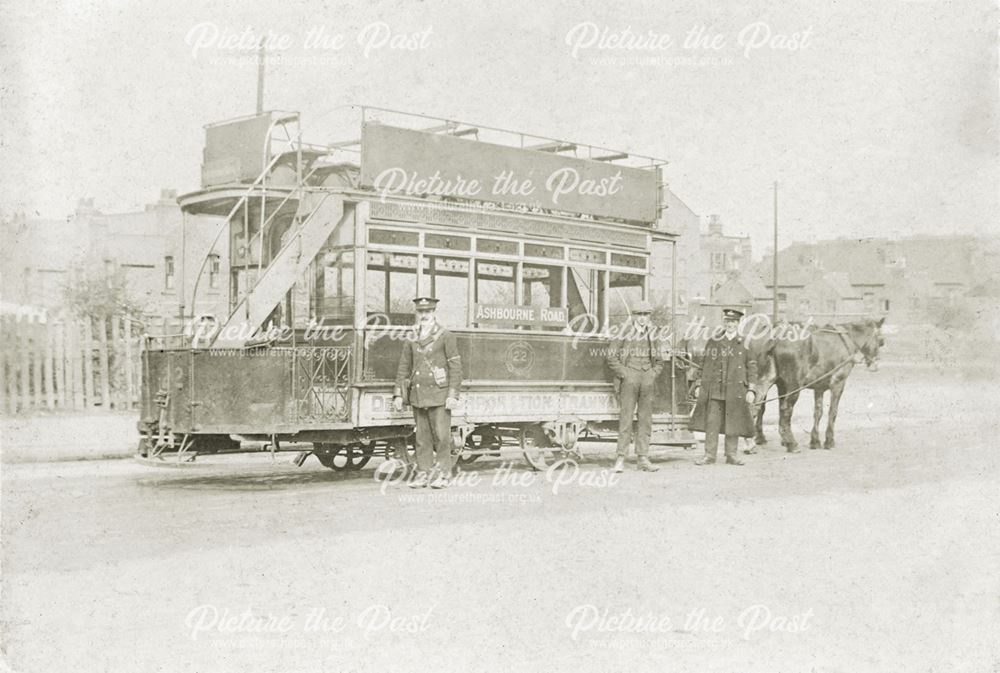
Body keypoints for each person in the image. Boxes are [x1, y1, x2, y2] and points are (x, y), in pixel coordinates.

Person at [392, 297, 463, 488]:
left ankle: (443, 475)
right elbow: (404, 366)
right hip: (418, 395)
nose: (424, 315)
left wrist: (452, 395)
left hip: (440, 396)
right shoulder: (412, 336)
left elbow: (455, 367)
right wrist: (398, 394)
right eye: (421, 312)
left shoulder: (446, 336)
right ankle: (423, 474)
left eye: (428, 311)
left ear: (434, 313)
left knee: (441, 437)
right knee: (421, 439)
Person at [690, 307, 758, 466]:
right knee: (712, 422)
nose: (730, 325)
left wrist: (751, 389)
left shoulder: (745, 343)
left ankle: (731, 455)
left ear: (738, 323)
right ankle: (709, 455)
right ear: (724, 322)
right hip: (715, 390)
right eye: (728, 321)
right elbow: (703, 364)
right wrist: (699, 384)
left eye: (733, 322)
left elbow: (752, 367)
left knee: (733, 422)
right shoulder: (714, 341)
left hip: (735, 390)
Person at [607, 299, 663, 473]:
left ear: (649, 317)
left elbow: (660, 361)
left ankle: (643, 458)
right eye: (639, 314)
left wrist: (652, 374)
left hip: (647, 380)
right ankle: (620, 458)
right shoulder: (623, 332)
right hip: (629, 379)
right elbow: (611, 357)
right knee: (626, 419)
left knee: (645, 420)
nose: (642, 318)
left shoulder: (653, 334)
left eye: (645, 315)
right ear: (633, 316)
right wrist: (625, 373)